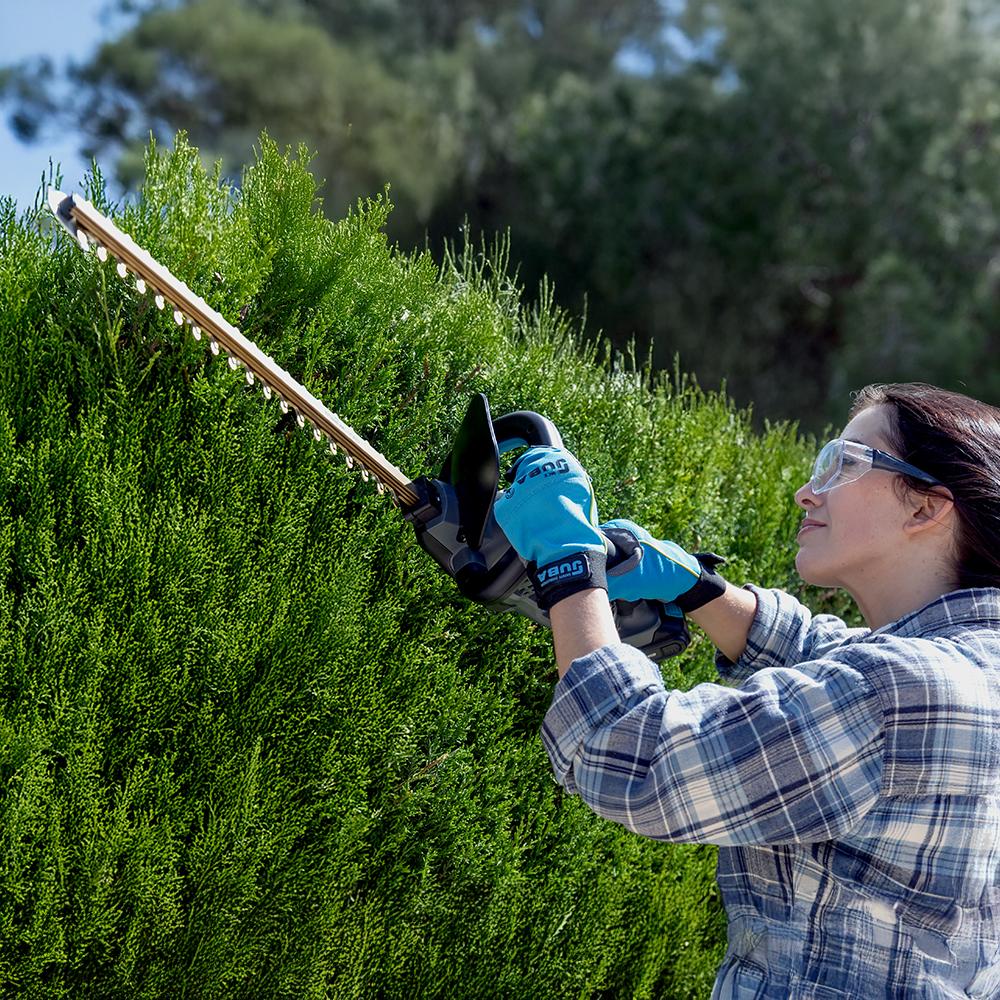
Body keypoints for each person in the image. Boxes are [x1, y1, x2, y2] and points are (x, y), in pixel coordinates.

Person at [493, 382, 1000, 999]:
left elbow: (631, 751)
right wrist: (698, 588)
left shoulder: (899, 694)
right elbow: (834, 659)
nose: (807, 491)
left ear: (925, 508)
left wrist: (568, 565)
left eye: (844, 464)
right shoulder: (971, 668)